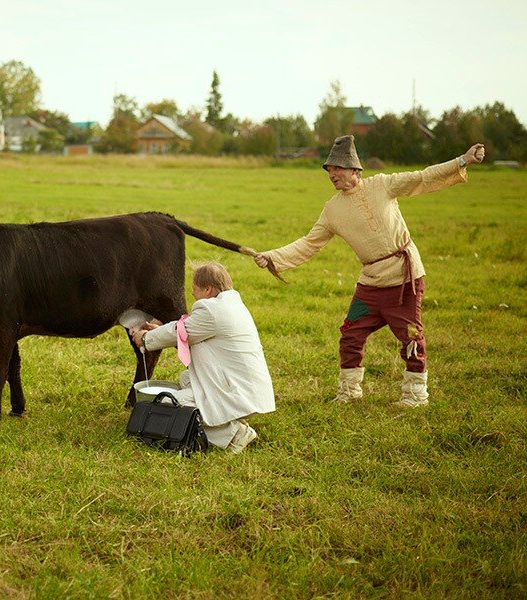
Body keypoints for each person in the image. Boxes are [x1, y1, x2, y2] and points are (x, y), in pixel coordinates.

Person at [254, 135, 486, 408]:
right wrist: (272, 257)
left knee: (410, 336)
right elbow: (309, 243)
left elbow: (423, 177)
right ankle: (349, 392)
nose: (332, 174)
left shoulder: (383, 185)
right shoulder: (332, 210)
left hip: (404, 278)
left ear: (355, 170)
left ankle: (415, 396)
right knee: (351, 333)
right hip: (371, 285)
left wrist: (463, 160)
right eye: (329, 170)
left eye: (338, 168)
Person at [132, 262, 275, 452]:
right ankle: (226, 420)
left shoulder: (211, 311)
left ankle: (234, 433)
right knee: (186, 379)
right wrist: (160, 331)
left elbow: (179, 332)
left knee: (164, 403)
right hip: (242, 386)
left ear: (208, 289)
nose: (192, 294)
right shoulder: (230, 306)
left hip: (233, 390)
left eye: (195, 289)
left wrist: (146, 338)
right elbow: (187, 332)